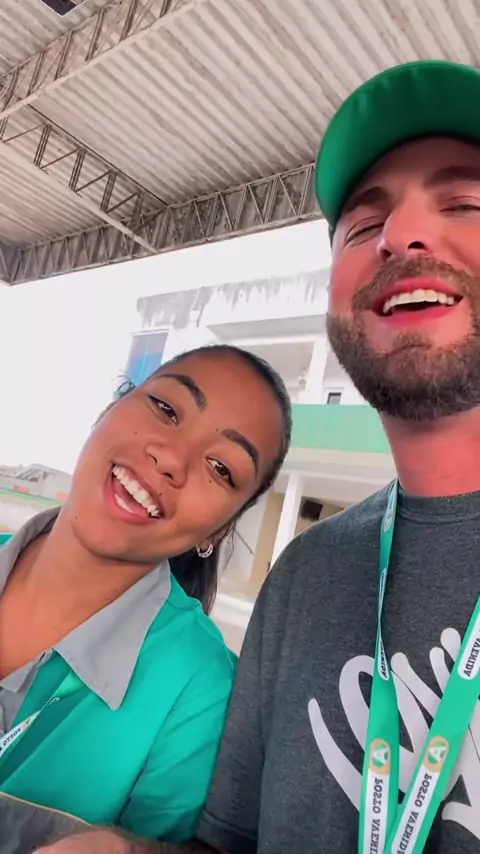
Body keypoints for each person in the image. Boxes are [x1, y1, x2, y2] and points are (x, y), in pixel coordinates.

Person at [34, 58, 480, 854]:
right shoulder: (309, 576)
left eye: (466, 203)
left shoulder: (188, 685)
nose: (401, 235)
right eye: (363, 225)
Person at [0, 344, 292, 852]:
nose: (172, 459)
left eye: (221, 467)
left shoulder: (203, 696)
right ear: (107, 410)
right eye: (166, 409)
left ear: (219, 530)